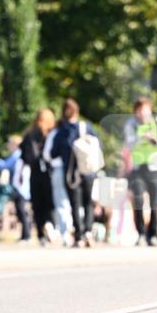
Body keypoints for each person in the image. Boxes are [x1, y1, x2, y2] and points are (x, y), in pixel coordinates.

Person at [50, 98, 101, 247]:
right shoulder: (87, 127)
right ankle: (88, 232)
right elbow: (98, 146)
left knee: (75, 204)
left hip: (71, 173)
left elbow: (53, 153)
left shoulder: (63, 131)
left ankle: (78, 235)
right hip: (89, 171)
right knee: (88, 203)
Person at [123, 98, 157, 246]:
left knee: (154, 201)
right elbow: (129, 143)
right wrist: (142, 137)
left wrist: (156, 140)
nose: (142, 114)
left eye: (145, 110)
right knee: (137, 199)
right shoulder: (131, 124)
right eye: (139, 111)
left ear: (150, 110)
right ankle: (140, 233)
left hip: (155, 167)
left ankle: (153, 233)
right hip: (138, 167)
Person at [20, 108, 56, 246]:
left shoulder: (29, 134)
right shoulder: (51, 134)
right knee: (49, 203)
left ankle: (41, 235)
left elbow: (23, 156)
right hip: (49, 172)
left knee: (37, 204)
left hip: (34, 172)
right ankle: (50, 224)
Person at [0, 134, 31, 241]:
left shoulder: (16, 155)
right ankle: (25, 235)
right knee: (20, 211)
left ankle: (26, 236)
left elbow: (5, 165)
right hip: (20, 187)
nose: (8, 146)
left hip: (20, 187)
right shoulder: (18, 154)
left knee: (22, 211)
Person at [43, 112, 73, 247]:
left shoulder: (56, 133)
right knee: (74, 202)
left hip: (59, 170)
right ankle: (77, 230)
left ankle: (65, 232)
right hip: (75, 171)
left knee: (61, 202)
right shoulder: (76, 129)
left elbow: (47, 155)